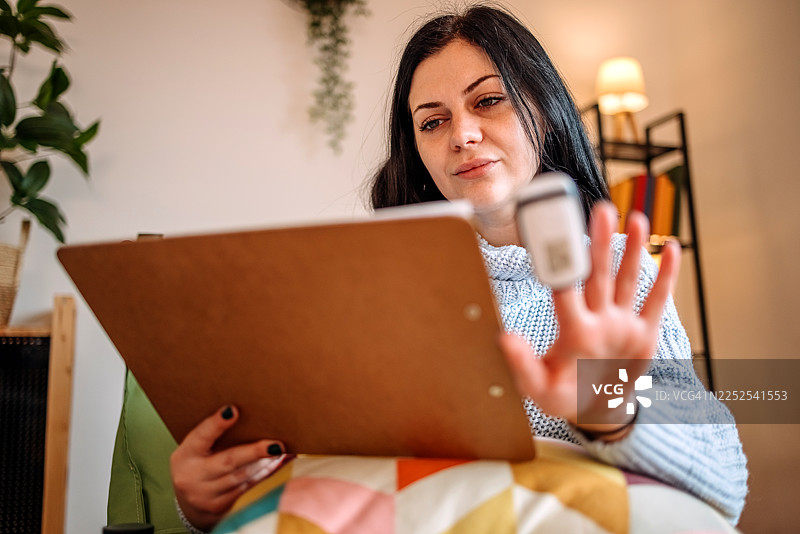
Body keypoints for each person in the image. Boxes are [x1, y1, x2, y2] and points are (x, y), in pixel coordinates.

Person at [171, 5, 748, 532]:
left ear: (543, 113)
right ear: (418, 152)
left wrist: (603, 403)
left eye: (488, 100)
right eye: (432, 121)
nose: (463, 135)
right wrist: (208, 497)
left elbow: (727, 478)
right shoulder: (370, 283)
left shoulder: (615, 270)